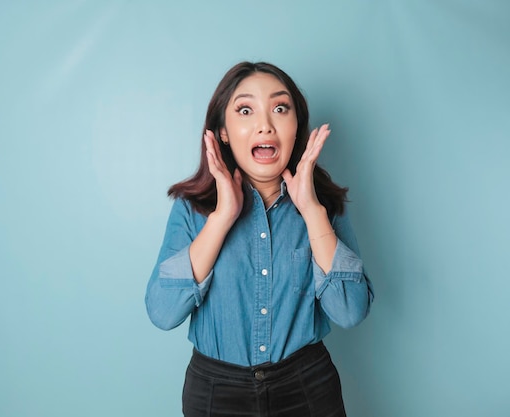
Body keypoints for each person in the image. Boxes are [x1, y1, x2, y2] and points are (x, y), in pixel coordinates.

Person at [145, 61, 374, 417]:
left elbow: (350, 311)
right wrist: (221, 219)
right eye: (245, 110)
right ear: (222, 131)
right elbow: (162, 312)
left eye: (280, 108)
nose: (265, 124)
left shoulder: (324, 206)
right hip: (215, 393)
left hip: (307, 386)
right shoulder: (192, 211)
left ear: (296, 127)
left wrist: (312, 211)